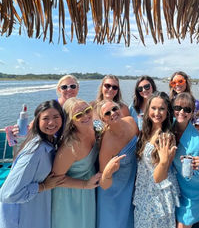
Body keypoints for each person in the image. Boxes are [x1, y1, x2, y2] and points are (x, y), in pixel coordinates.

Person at [0, 100, 66, 228]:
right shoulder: (35, 152)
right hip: (21, 219)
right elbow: (7, 194)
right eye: (45, 118)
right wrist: (43, 186)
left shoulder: (50, 143)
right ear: (37, 121)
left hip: (34, 211)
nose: (51, 122)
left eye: (56, 117)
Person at [51, 98, 102, 228]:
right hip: (70, 196)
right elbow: (55, 179)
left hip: (88, 191)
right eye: (78, 115)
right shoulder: (70, 147)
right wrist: (85, 184)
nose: (85, 116)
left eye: (87, 110)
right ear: (71, 121)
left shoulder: (95, 129)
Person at [134, 91, 179, 228]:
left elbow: (159, 177)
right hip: (143, 191)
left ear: (167, 112)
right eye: (153, 108)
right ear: (148, 110)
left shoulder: (166, 138)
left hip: (158, 194)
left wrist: (165, 161)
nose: (157, 112)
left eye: (162, 109)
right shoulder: (145, 132)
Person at [96, 99, 139, 228]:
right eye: (107, 113)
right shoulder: (107, 143)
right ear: (103, 120)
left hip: (131, 184)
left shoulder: (131, 122)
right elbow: (103, 183)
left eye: (114, 108)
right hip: (113, 192)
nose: (113, 113)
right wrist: (108, 172)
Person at [172, 92, 199, 228]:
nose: (181, 112)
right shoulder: (168, 128)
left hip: (193, 194)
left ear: (192, 113)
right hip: (174, 190)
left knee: (183, 225)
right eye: (177, 108)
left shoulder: (197, 141)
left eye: (187, 109)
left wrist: (194, 168)